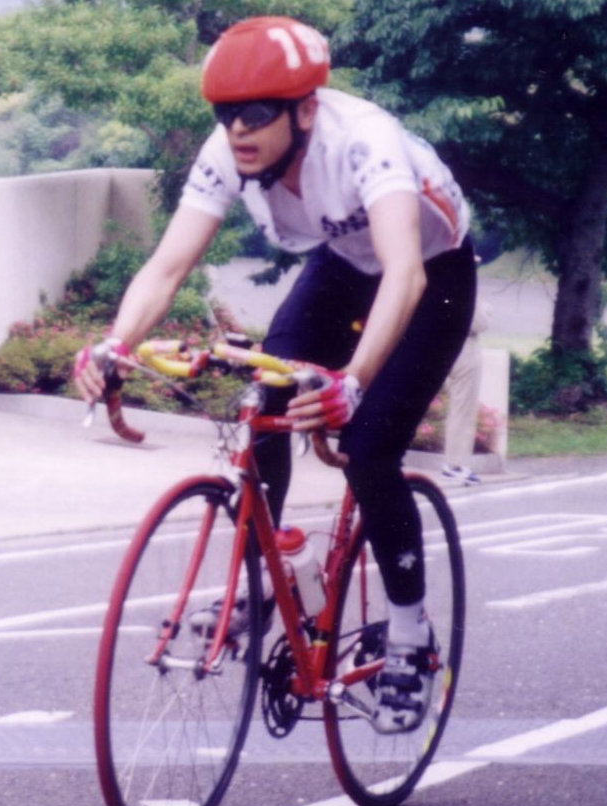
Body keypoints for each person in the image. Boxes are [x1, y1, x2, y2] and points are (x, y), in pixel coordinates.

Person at [74, 16, 477, 734]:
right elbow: (167, 266)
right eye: (225, 113)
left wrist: (353, 380)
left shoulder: (364, 141)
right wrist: (113, 344)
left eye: (257, 113)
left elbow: (404, 274)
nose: (238, 130)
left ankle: (410, 638)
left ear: (306, 110)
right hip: (343, 267)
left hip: (429, 275)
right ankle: (268, 573)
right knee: (264, 398)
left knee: (367, 449)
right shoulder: (227, 153)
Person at [442, 297, 491, 485]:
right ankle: (455, 464)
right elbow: (481, 322)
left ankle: (454, 463)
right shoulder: (465, 287)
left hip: (441, 343)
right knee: (463, 409)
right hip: (464, 347)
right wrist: (486, 310)